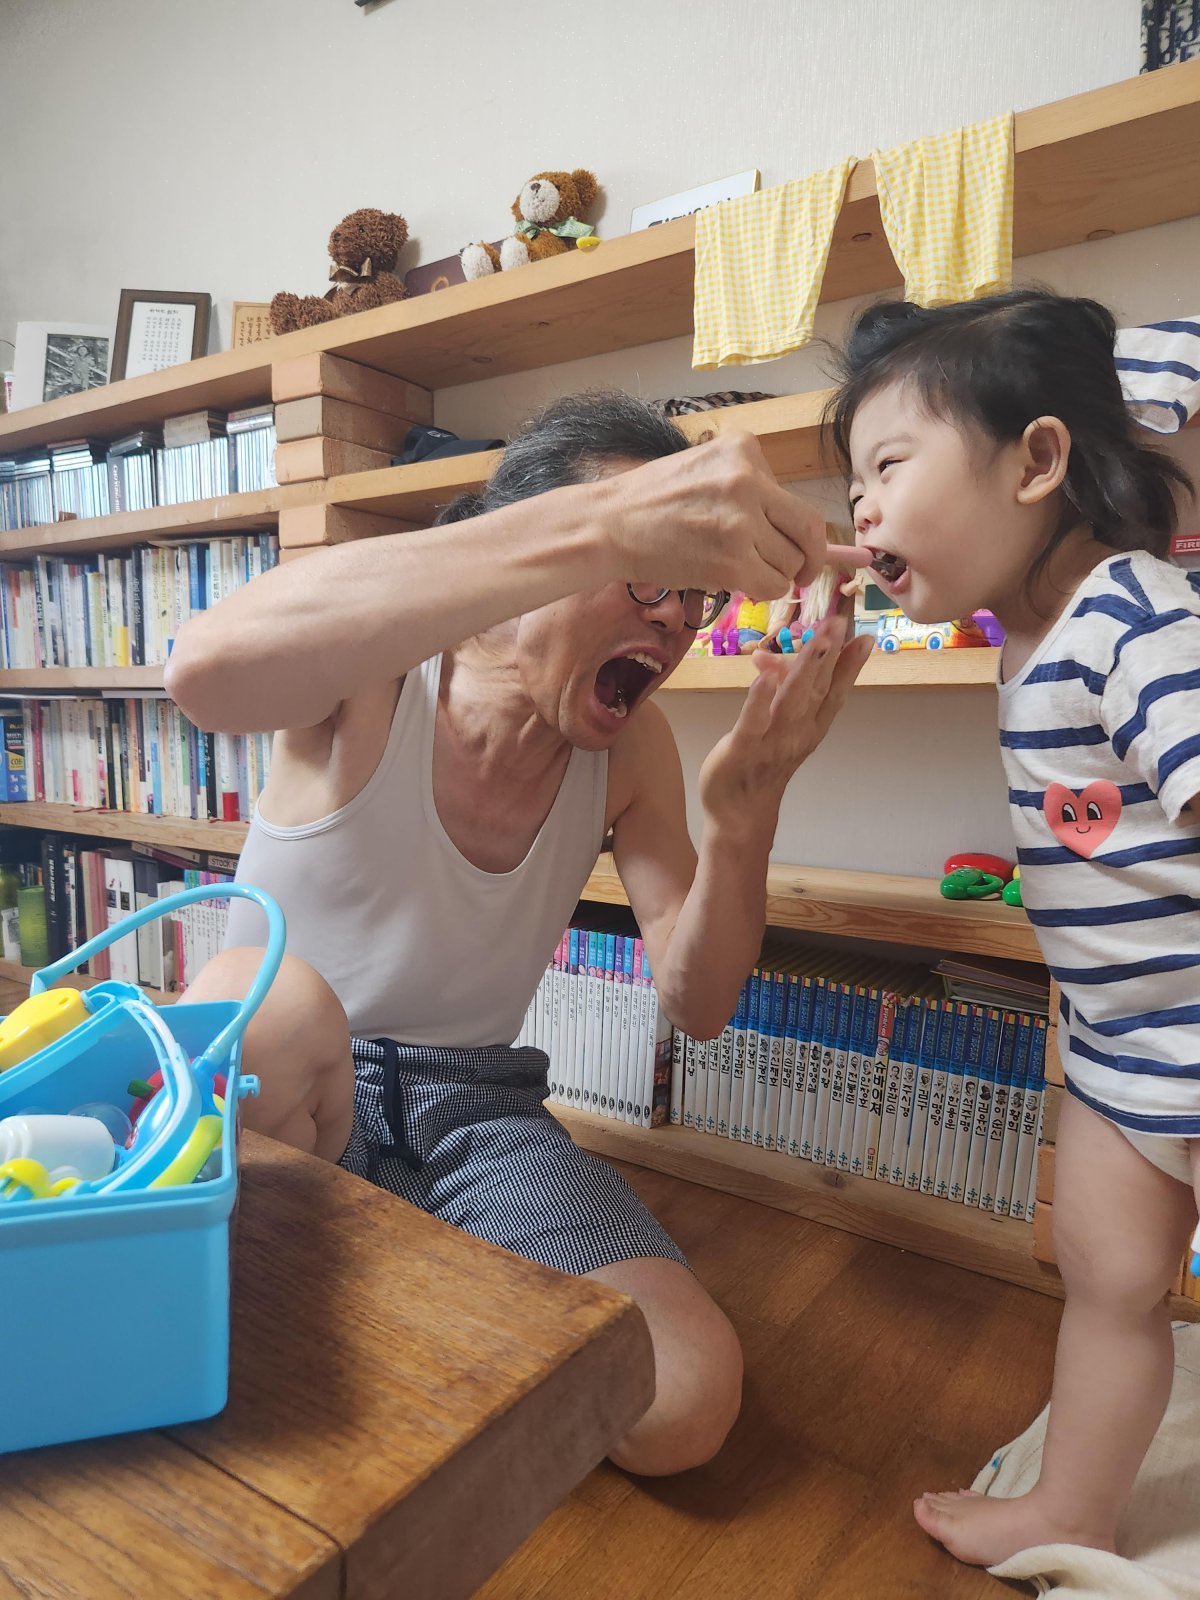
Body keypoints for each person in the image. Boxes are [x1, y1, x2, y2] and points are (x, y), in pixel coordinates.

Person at [165, 391, 873, 1477]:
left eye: (691, 594)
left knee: (685, 1399)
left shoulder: (630, 753)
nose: (680, 621)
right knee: (272, 997)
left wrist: (747, 819)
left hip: (477, 1107)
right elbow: (205, 672)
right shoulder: (383, 670)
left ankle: (371, 1280)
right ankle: (365, 1281)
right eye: (650, 572)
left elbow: (701, 1000)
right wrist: (601, 525)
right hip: (299, 1079)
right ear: (541, 548)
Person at [829, 288, 1200, 1566]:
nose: (861, 508)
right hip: (1118, 1040)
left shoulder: (1135, 614)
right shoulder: (1022, 634)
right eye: (851, 485)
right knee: (1102, 1273)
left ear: (1039, 460)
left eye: (888, 465)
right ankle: (1072, 1505)